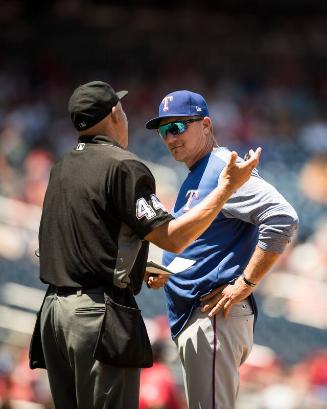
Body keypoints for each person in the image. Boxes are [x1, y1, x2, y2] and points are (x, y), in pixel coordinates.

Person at [30, 81, 261, 409]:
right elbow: (174, 238)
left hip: (53, 316)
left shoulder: (61, 167)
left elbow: (86, 241)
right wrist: (225, 189)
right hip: (95, 316)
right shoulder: (123, 165)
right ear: (115, 113)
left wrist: (141, 266)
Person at [145, 90, 299, 409]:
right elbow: (204, 242)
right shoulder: (195, 174)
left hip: (213, 315)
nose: (170, 137)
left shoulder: (222, 167)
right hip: (197, 315)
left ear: (205, 124)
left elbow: (283, 218)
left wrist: (246, 283)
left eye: (177, 127)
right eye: (163, 131)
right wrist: (167, 270)